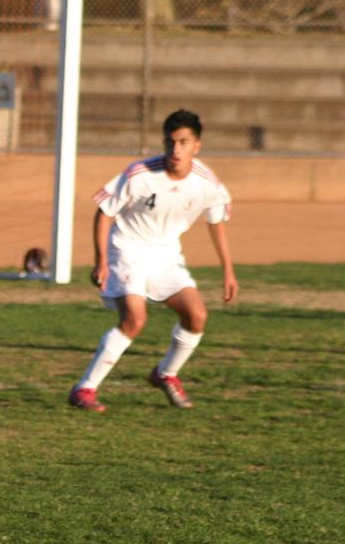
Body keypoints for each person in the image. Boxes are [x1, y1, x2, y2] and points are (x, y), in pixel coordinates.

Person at [69, 109, 237, 412]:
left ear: (196, 145)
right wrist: (101, 261)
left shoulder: (206, 183)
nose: (176, 150)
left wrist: (228, 271)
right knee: (135, 319)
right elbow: (105, 213)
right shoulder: (140, 174)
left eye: (184, 142)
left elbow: (216, 222)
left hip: (166, 255)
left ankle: (166, 374)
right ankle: (84, 389)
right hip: (127, 249)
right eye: (171, 142)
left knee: (196, 316)